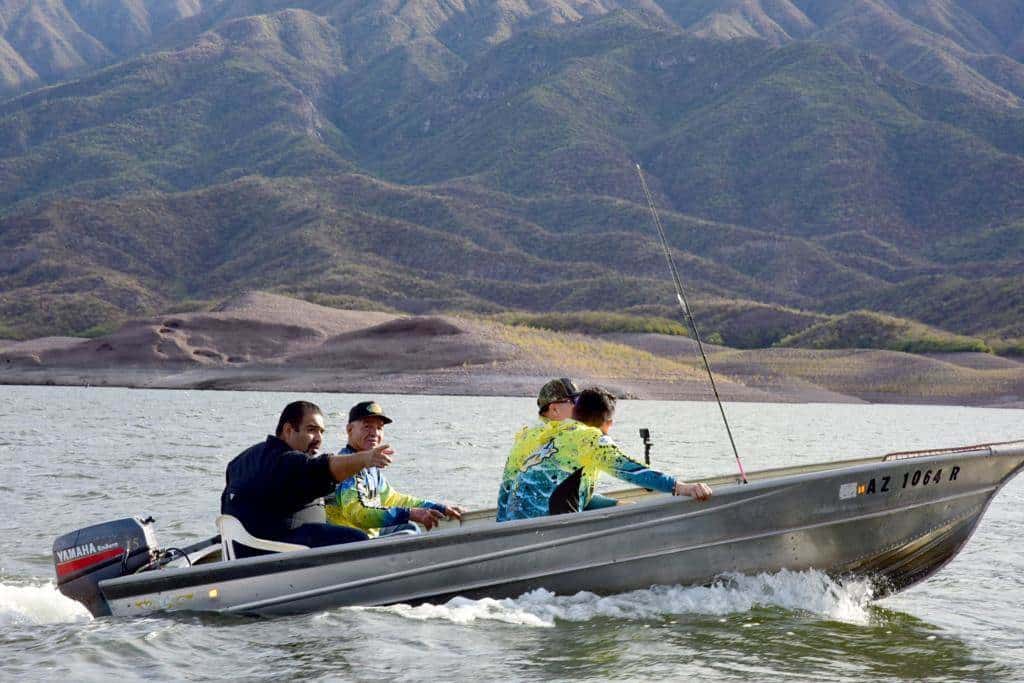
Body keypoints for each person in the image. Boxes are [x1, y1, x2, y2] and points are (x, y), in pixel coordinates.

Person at [496, 387, 712, 522]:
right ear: (609, 423)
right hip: (541, 534)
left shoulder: (550, 435)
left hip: (513, 527)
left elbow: (565, 493)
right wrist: (682, 487)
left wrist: (613, 506)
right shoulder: (590, 439)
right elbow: (632, 471)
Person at [221, 400, 392, 554]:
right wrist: (365, 458)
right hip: (275, 555)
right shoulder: (286, 462)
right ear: (288, 430)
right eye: (311, 430)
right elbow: (321, 468)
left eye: (321, 432)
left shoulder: (240, 460)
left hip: (246, 549)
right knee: (357, 539)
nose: (319, 439)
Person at [325, 401, 465, 537]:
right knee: (409, 533)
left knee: (409, 528)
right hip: (348, 544)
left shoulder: (371, 467)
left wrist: (439, 508)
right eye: (367, 426)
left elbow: (393, 499)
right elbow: (359, 515)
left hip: (368, 537)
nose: (374, 433)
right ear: (349, 430)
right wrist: (409, 513)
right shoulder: (346, 465)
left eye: (379, 428)